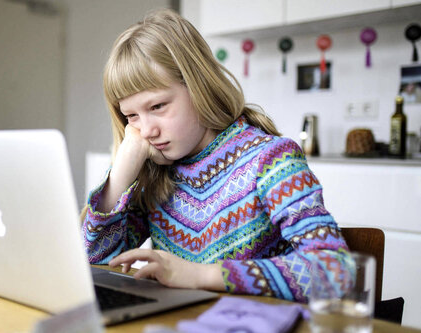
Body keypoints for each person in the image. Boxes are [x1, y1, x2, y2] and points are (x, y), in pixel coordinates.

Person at [81, 9, 350, 302]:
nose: (146, 130)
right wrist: (118, 179)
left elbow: (337, 274)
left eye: (157, 106)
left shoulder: (271, 160)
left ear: (199, 86)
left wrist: (203, 275)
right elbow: (90, 263)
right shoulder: (155, 173)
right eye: (131, 116)